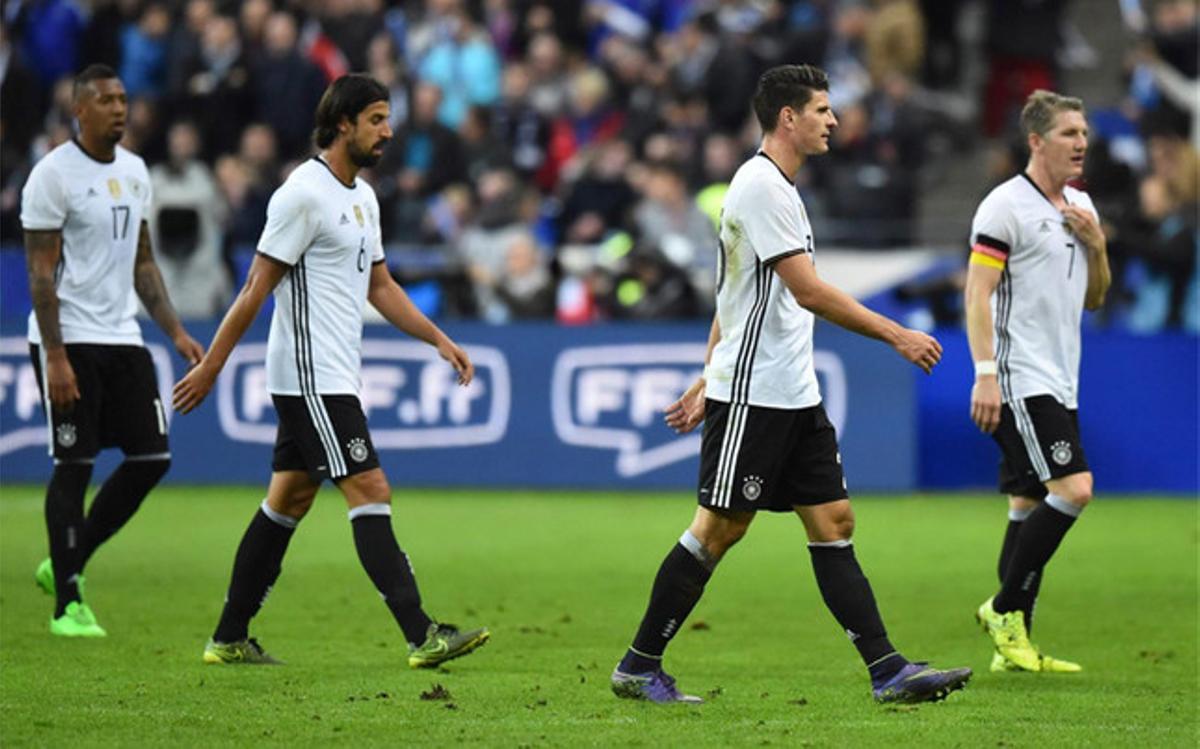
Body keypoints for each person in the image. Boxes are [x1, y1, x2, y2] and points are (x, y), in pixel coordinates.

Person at [610, 64, 972, 705]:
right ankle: (639, 665)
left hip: (792, 392)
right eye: (823, 110)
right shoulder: (759, 188)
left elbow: (734, 296)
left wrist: (703, 371)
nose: (833, 121)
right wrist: (897, 335)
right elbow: (806, 292)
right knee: (718, 529)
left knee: (833, 521)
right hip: (754, 394)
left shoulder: (779, 187)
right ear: (788, 118)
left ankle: (888, 670)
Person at [172, 74, 489, 667]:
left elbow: (381, 287)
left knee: (287, 501)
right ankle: (422, 634)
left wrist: (440, 340)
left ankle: (228, 637)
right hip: (309, 376)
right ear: (342, 123)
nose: (388, 131)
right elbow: (253, 289)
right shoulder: (302, 194)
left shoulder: (362, 198)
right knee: (370, 488)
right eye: (376, 119)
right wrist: (212, 367)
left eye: (388, 119)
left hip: (334, 374)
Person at [21, 64, 205, 637]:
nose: (120, 109)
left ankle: (66, 561)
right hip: (69, 335)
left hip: (122, 334)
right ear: (80, 109)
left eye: (124, 98)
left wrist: (173, 330)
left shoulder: (136, 170)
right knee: (74, 464)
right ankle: (68, 604)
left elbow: (142, 260)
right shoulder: (53, 176)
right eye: (106, 100)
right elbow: (40, 273)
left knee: (152, 459)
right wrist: (55, 356)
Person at [965, 89, 1111, 673]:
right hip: (1020, 376)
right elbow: (977, 294)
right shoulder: (1004, 207)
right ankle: (1005, 610)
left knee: (1027, 502)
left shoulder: (1081, 205)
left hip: (1061, 375)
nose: (1081, 144)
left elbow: (1095, 299)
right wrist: (984, 374)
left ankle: (1011, 648)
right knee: (1074, 489)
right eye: (1069, 134)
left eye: (1084, 134)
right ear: (1036, 141)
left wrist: (1097, 246)